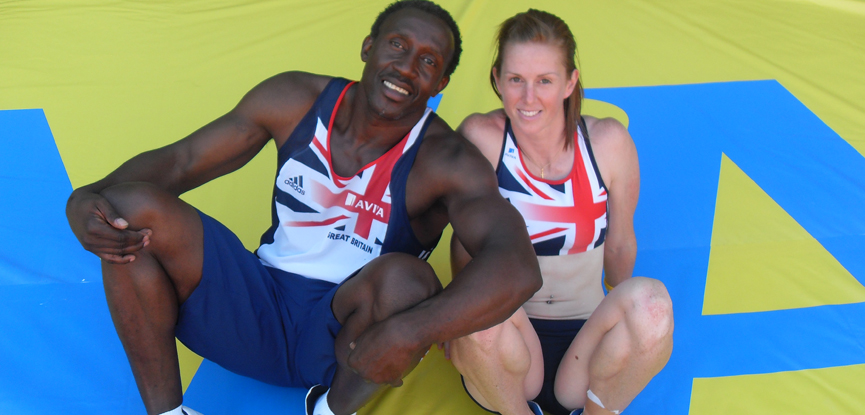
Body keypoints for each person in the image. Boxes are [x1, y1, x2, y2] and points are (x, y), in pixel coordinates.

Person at [64, 2, 543, 415]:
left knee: (408, 281)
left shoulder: (447, 160)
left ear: (440, 80)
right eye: (397, 46)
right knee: (128, 210)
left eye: (427, 61)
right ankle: (168, 411)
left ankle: (330, 411)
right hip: (253, 308)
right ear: (368, 46)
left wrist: (410, 331)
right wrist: (85, 199)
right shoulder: (294, 99)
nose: (405, 68)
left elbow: (517, 268)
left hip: (345, 347)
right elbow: (182, 160)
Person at [448, 9, 674, 415]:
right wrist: (463, 336)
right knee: (474, 313)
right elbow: (463, 248)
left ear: (570, 82)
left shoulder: (609, 143)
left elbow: (620, 245)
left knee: (652, 304)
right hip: (510, 343)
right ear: (497, 79)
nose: (529, 97)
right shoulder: (482, 138)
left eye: (545, 81)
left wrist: (626, 327)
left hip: (586, 345)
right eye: (516, 80)